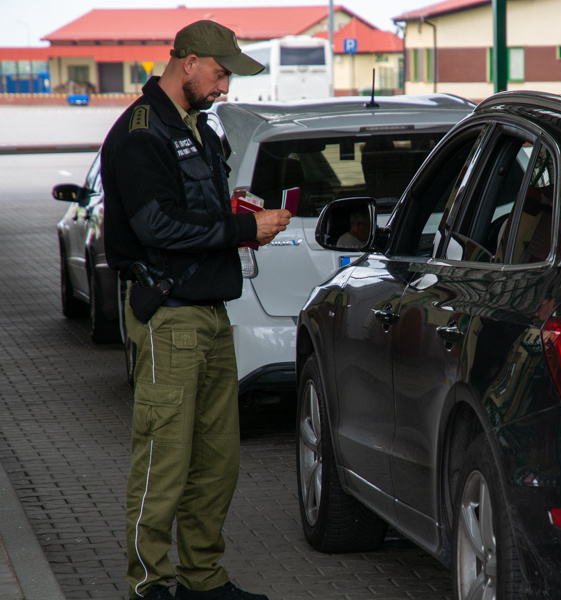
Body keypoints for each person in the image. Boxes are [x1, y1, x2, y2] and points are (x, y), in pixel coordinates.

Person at [101, 20, 291, 600]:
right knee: (164, 460)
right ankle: (150, 585)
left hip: (210, 312)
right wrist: (239, 226)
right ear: (188, 63)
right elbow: (155, 225)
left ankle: (202, 580)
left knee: (216, 464)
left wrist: (243, 224)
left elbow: (197, 213)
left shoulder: (200, 131)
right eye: (221, 72)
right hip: (170, 315)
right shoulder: (140, 133)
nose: (226, 87)